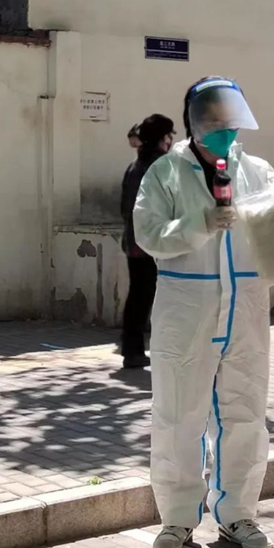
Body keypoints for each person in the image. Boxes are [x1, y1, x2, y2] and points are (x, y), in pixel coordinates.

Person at [134, 77, 274, 548]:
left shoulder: (256, 170)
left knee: (245, 413)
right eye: (213, 119)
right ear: (193, 121)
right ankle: (177, 518)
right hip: (187, 311)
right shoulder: (166, 173)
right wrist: (200, 224)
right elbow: (148, 233)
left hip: (245, 308)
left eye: (229, 119)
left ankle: (237, 514)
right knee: (178, 415)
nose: (223, 128)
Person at [120, 114, 176, 369]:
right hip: (156, 243)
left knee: (138, 296)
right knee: (154, 297)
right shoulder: (164, 166)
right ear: (164, 138)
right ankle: (142, 350)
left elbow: (124, 207)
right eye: (169, 136)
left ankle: (132, 349)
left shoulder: (135, 166)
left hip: (135, 242)